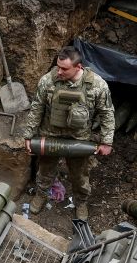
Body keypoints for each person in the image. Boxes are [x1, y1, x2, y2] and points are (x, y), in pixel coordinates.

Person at [20, 46, 115, 220]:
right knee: (45, 170)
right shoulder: (48, 81)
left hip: (80, 138)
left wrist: (106, 142)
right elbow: (36, 108)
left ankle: (81, 202)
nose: (59, 72)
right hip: (51, 135)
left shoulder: (97, 85)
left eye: (64, 69)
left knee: (79, 175)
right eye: (58, 66)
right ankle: (41, 194)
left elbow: (107, 113)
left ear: (78, 67)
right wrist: (29, 135)